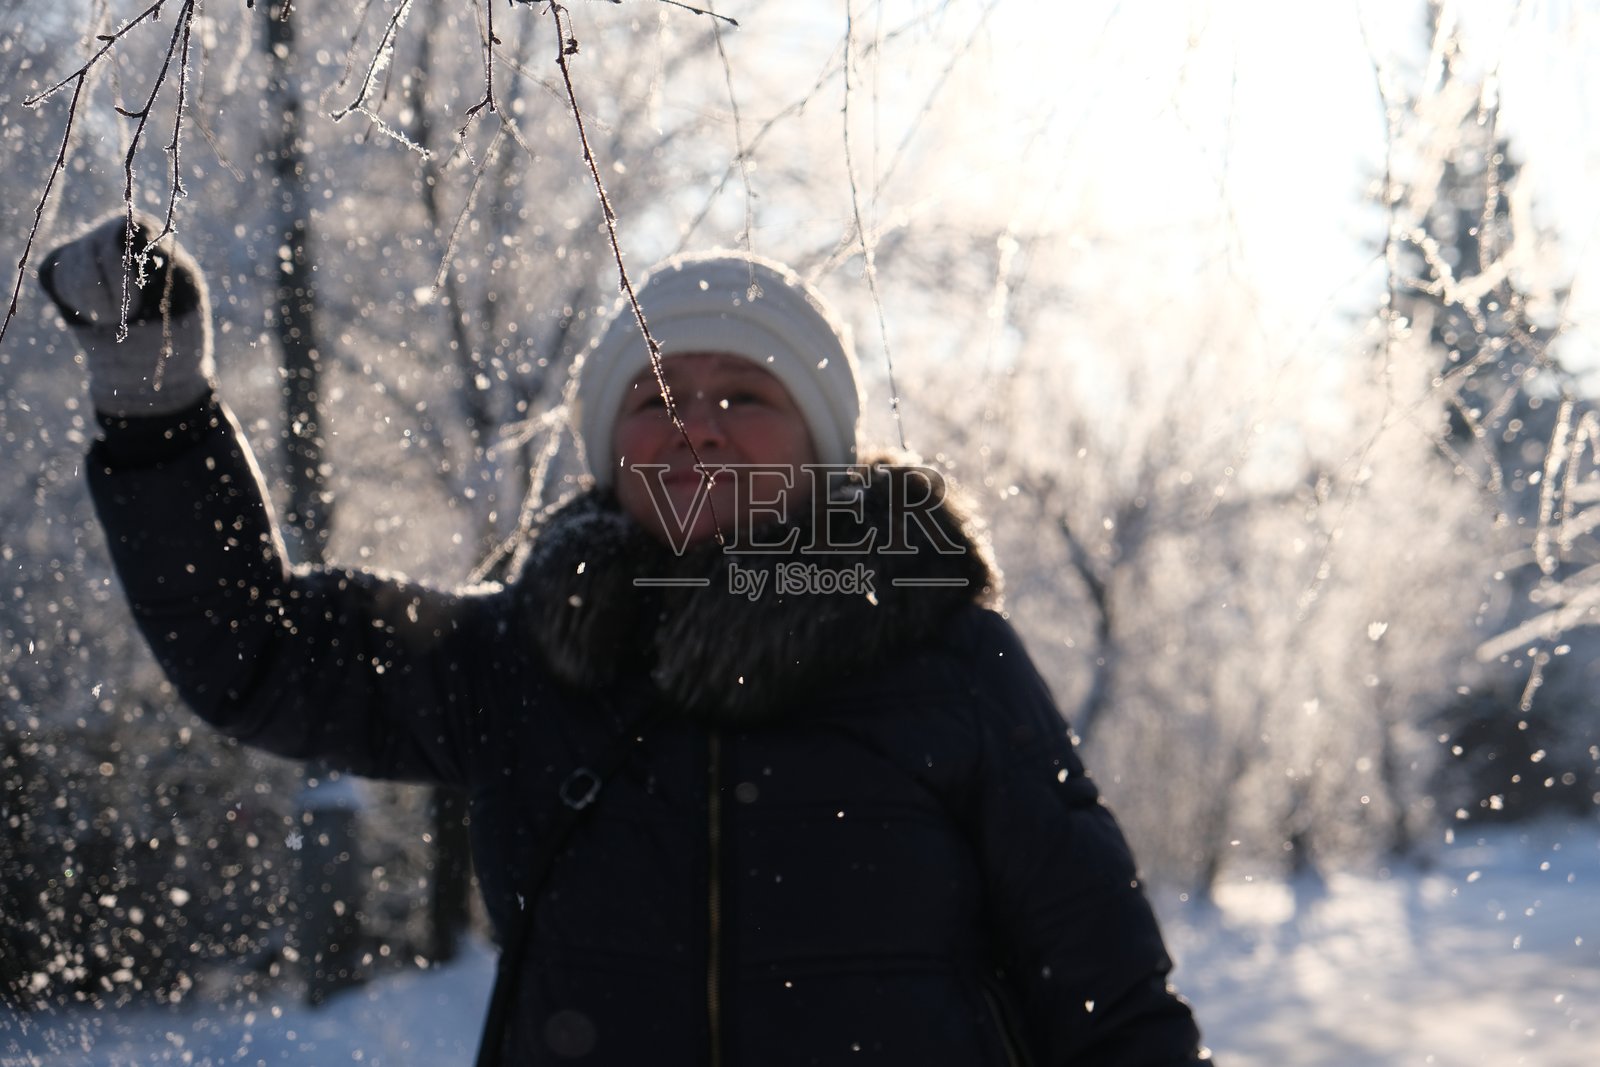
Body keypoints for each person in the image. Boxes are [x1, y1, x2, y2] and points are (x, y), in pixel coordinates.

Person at [40, 213, 1209, 1065]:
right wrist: (156, 407)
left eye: (742, 395)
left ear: (820, 452)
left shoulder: (943, 657)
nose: (692, 423)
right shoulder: (527, 653)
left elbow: (1100, 983)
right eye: (654, 397)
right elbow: (264, 656)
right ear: (610, 451)